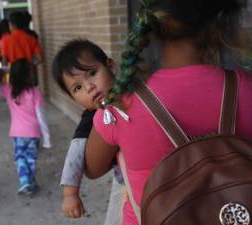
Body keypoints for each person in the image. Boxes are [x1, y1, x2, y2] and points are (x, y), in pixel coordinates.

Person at [56, 0, 252, 224]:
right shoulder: (247, 89)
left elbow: (92, 168)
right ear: (216, 27)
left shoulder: (121, 107)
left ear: (155, 30)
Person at [53, 39, 123, 219]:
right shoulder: (91, 118)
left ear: (111, 66)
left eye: (92, 73)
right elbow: (75, 153)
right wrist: (70, 194)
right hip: (126, 185)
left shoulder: (136, 93)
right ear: (72, 98)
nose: (89, 87)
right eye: (77, 88)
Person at [0, 58, 51, 194]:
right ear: (29, 75)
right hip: (33, 133)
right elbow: (41, 116)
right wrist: (47, 138)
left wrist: (8, 70)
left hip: (17, 133)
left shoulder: (8, 90)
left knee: (20, 157)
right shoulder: (35, 92)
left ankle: (25, 181)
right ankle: (30, 182)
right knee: (31, 158)